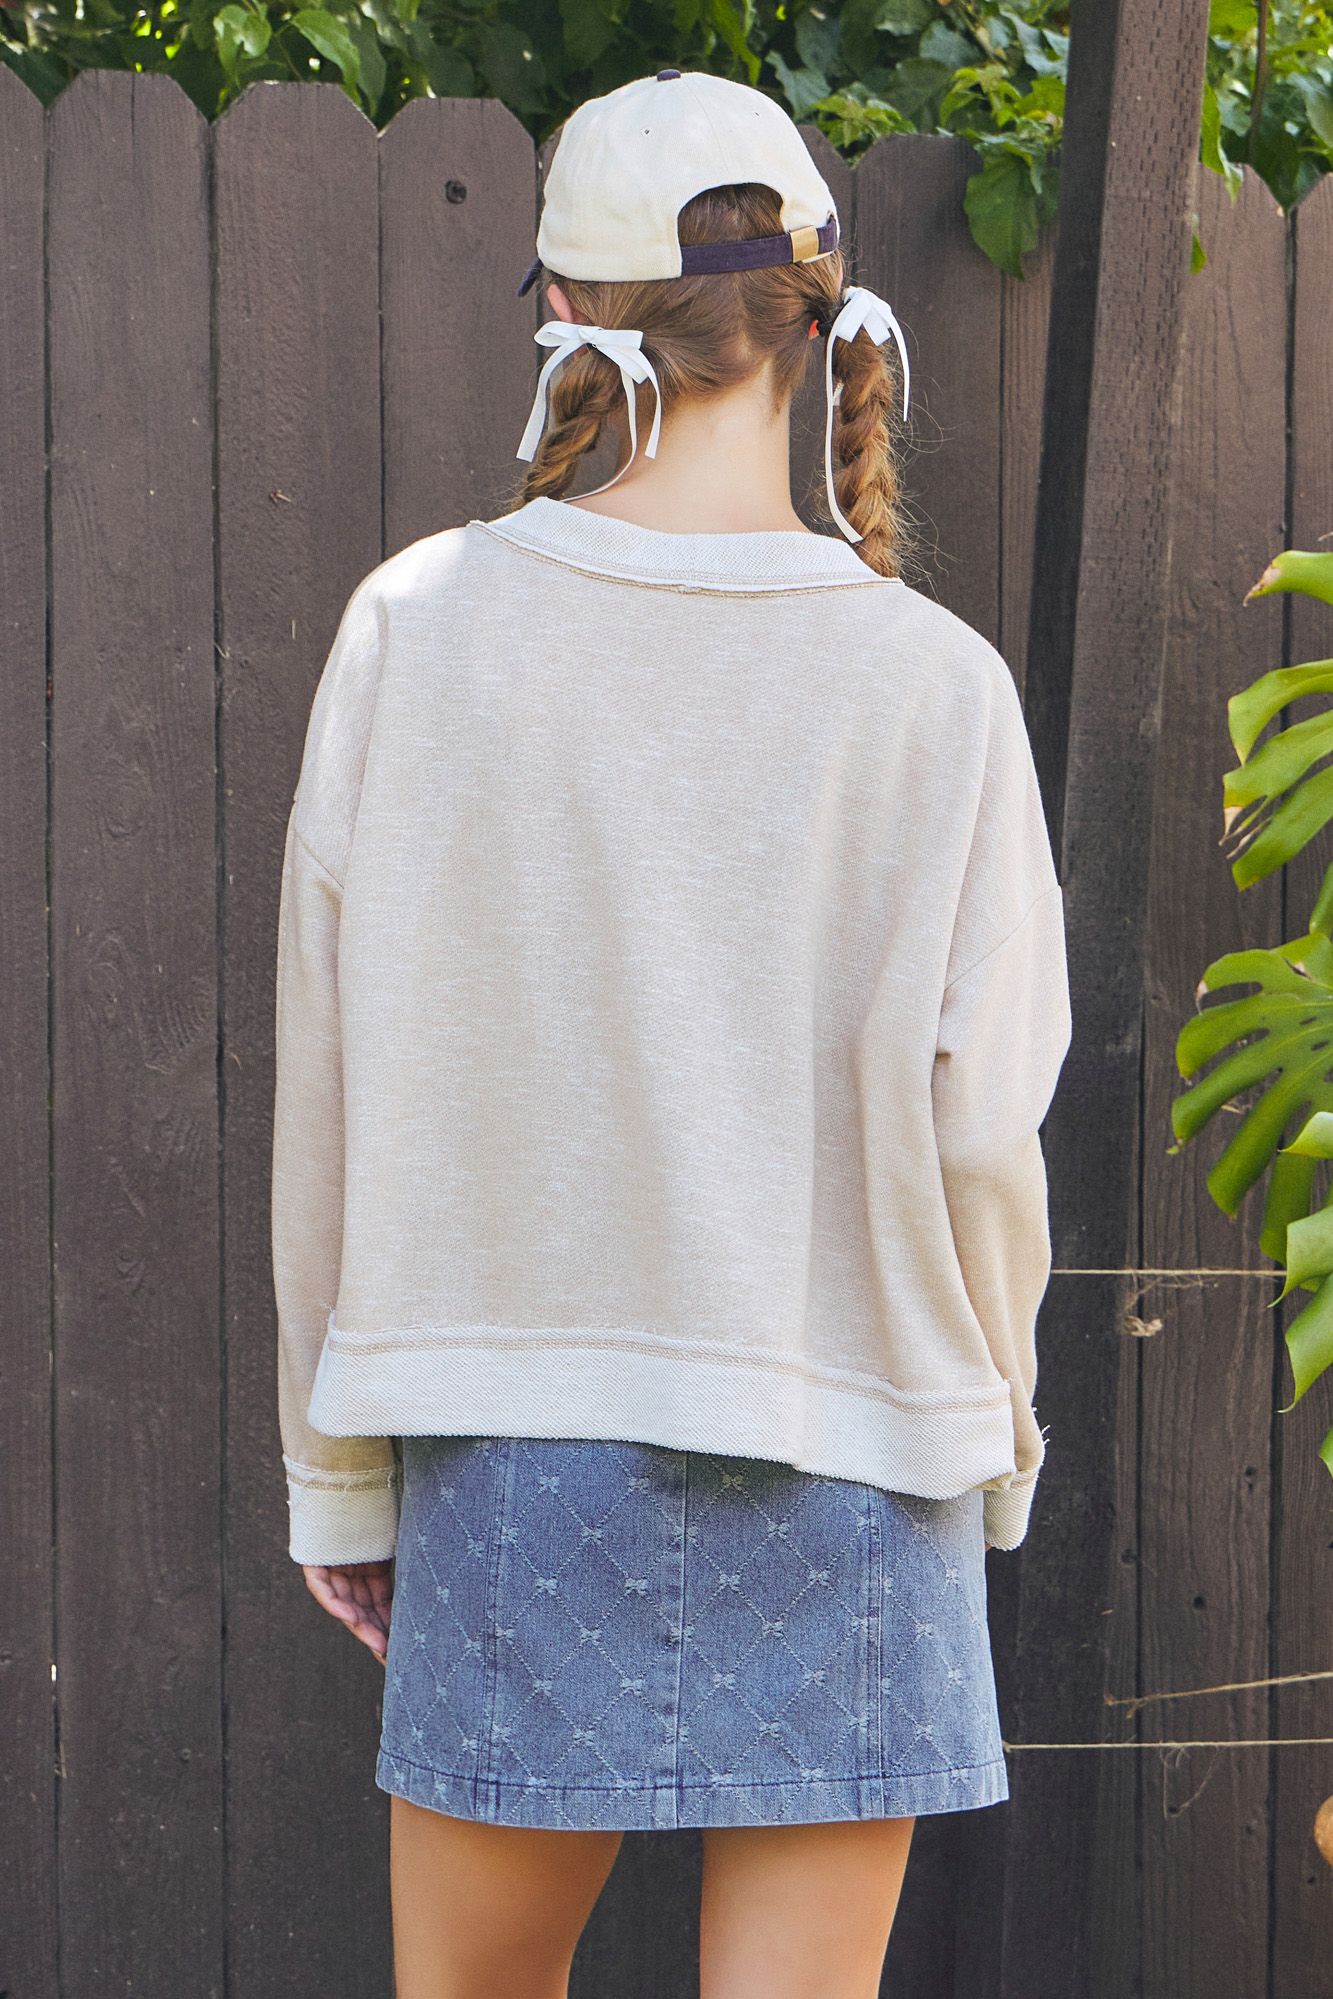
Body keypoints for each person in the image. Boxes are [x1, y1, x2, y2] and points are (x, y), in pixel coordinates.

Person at [270, 66, 1073, 1999]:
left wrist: (336, 1473)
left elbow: (335, 1093)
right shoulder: (934, 687)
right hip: (857, 1451)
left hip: (510, 1446)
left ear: (565, 321)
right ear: (819, 315)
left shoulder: (418, 627)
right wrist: (994, 1442)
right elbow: (980, 1137)